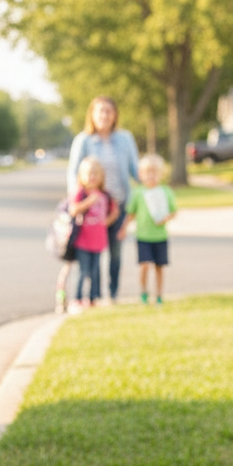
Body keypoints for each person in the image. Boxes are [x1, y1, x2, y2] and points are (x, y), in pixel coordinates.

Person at [65, 95, 140, 304]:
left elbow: (135, 169)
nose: (105, 115)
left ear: (115, 115)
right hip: (92, 209)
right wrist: (76, 201)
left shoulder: (125, 138)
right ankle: (92, 296)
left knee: (115, 253)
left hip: (118, 204)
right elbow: (73, 172)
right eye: (100, 111)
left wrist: (150, 189)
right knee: (92, 252)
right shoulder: (84, 140)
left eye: (109, 111)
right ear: (93, 114)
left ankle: (113, 294)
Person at [124, 154, 178, 305]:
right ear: (141, 174)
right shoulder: (138, 192)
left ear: (160, 174)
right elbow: (131, 213)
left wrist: (165, 218)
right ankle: (143, 292)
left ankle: (159, 295)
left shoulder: (166, 192)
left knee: (159, 267)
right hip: (143, 236)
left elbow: (174, 211)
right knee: (144, 265)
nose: (151, 176)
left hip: (160, 236)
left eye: (154, 172)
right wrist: (123, 229)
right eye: (147, 172)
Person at [66, 157, 118, 312]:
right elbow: (73, 210)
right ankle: (77, 298)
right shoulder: (80, 193)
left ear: (101, 176)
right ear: (81, 176)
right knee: (83, 271)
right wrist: (88, 201)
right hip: (82, 240)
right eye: (88, 174)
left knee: (95, 271)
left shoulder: (105, 195)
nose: (92, 177)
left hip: (99, 241)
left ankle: (94, 298)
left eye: (96, 174)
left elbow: (115, 211)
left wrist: (106, 221)